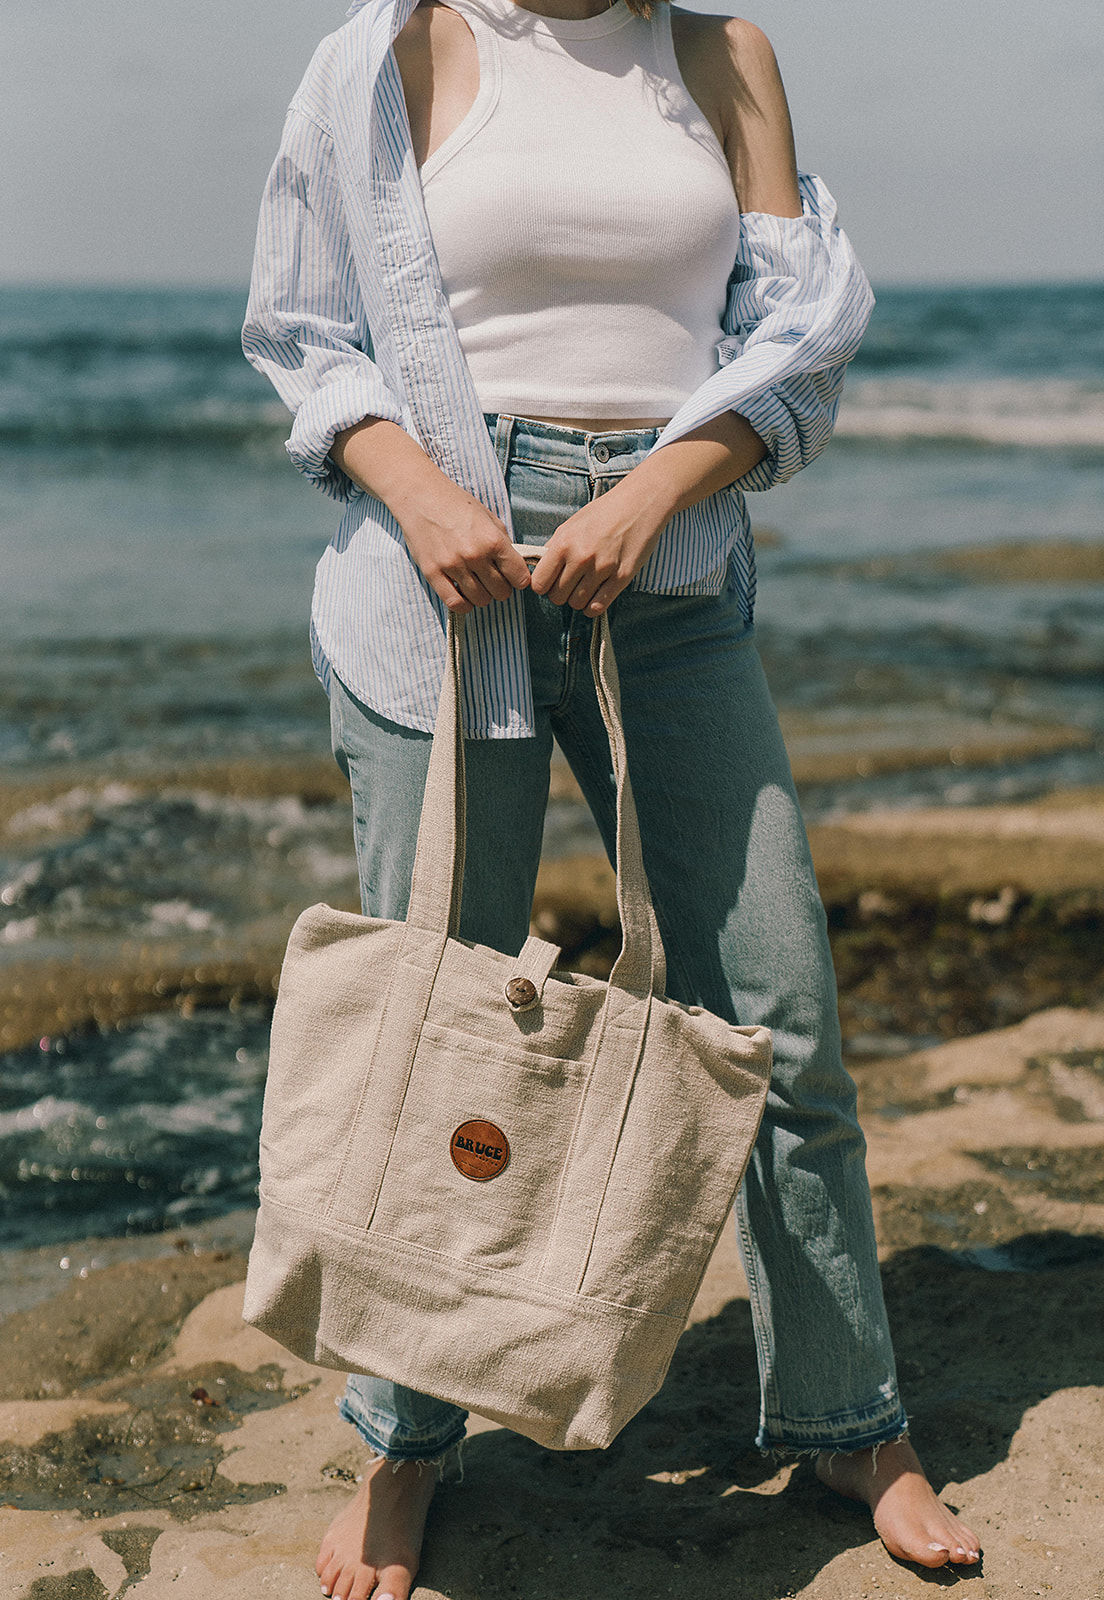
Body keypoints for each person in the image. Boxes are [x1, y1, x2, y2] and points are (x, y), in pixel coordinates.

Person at [242, 0, 983, 1594]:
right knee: (439, 1026)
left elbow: (803, 335)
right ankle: (405, 1443)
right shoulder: (391, 51)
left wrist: (653, 489)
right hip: (443, 589)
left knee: (777, 1013)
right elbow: (303, 329)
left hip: (671, 575)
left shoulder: (724, 55)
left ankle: (849, 1418)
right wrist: (423, 494)